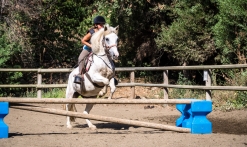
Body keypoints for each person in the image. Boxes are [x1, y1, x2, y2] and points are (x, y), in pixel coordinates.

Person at [74, 16, 106, 84]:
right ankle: (80, 74)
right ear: (96, 25)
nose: (102, 26)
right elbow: (83, 40)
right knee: (81, 58)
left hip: (99, 50)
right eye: (100, 25)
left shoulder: (103, 32)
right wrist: (91, 46)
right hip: (88, 49)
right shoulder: (91, 32)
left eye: (103, 24)